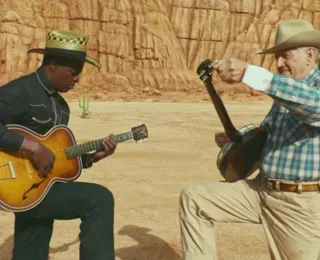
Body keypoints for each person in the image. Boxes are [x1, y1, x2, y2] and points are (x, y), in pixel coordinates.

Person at [179, 19, 320, 260]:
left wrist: (250, 74)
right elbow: (267, 132)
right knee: (195, 199)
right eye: (276, 57)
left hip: (298, 205)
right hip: (260, 190)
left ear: (309, 55)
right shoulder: (286, 91)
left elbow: (311, 105)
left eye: (285, 56)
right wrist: (238, 140)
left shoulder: (306, 91)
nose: (279, 63)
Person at [0, 30, 117, 260]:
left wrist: (93, 157)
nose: (77, 79)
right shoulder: (19, 91)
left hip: (35, 189)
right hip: (10, 181)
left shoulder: (62, 107)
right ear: (53, 65)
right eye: (74, 73)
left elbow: (58, 158)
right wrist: (31, 147)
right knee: (99, 199)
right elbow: (37, 148)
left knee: (32, 243)